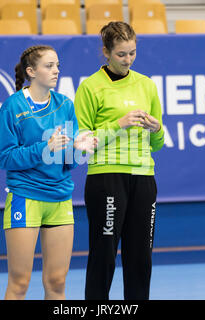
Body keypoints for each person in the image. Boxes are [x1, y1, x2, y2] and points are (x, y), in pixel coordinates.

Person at [0, 45, 98, 300]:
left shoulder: (65, 104)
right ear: (31, 71)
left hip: (59, 197)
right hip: (25, 196)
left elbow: (68, 163)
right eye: (49, 66)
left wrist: (79, 150)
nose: (56, 71)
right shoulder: (12, 107)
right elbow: (6, 158)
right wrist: (45, 147)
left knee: (57, 281)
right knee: (19, 282)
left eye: (57, 66)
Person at [74, 21, 165, 300]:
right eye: (121, 54)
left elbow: (158, 144)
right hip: (107, 178)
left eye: (132, 53)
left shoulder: (147, 85)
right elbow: (81, 147)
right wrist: (119, 124)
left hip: (143, 176)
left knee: (140, 258)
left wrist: (156, 129)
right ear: (106, 52)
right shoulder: (90, 87)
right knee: (103, 254)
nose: (128, 60)